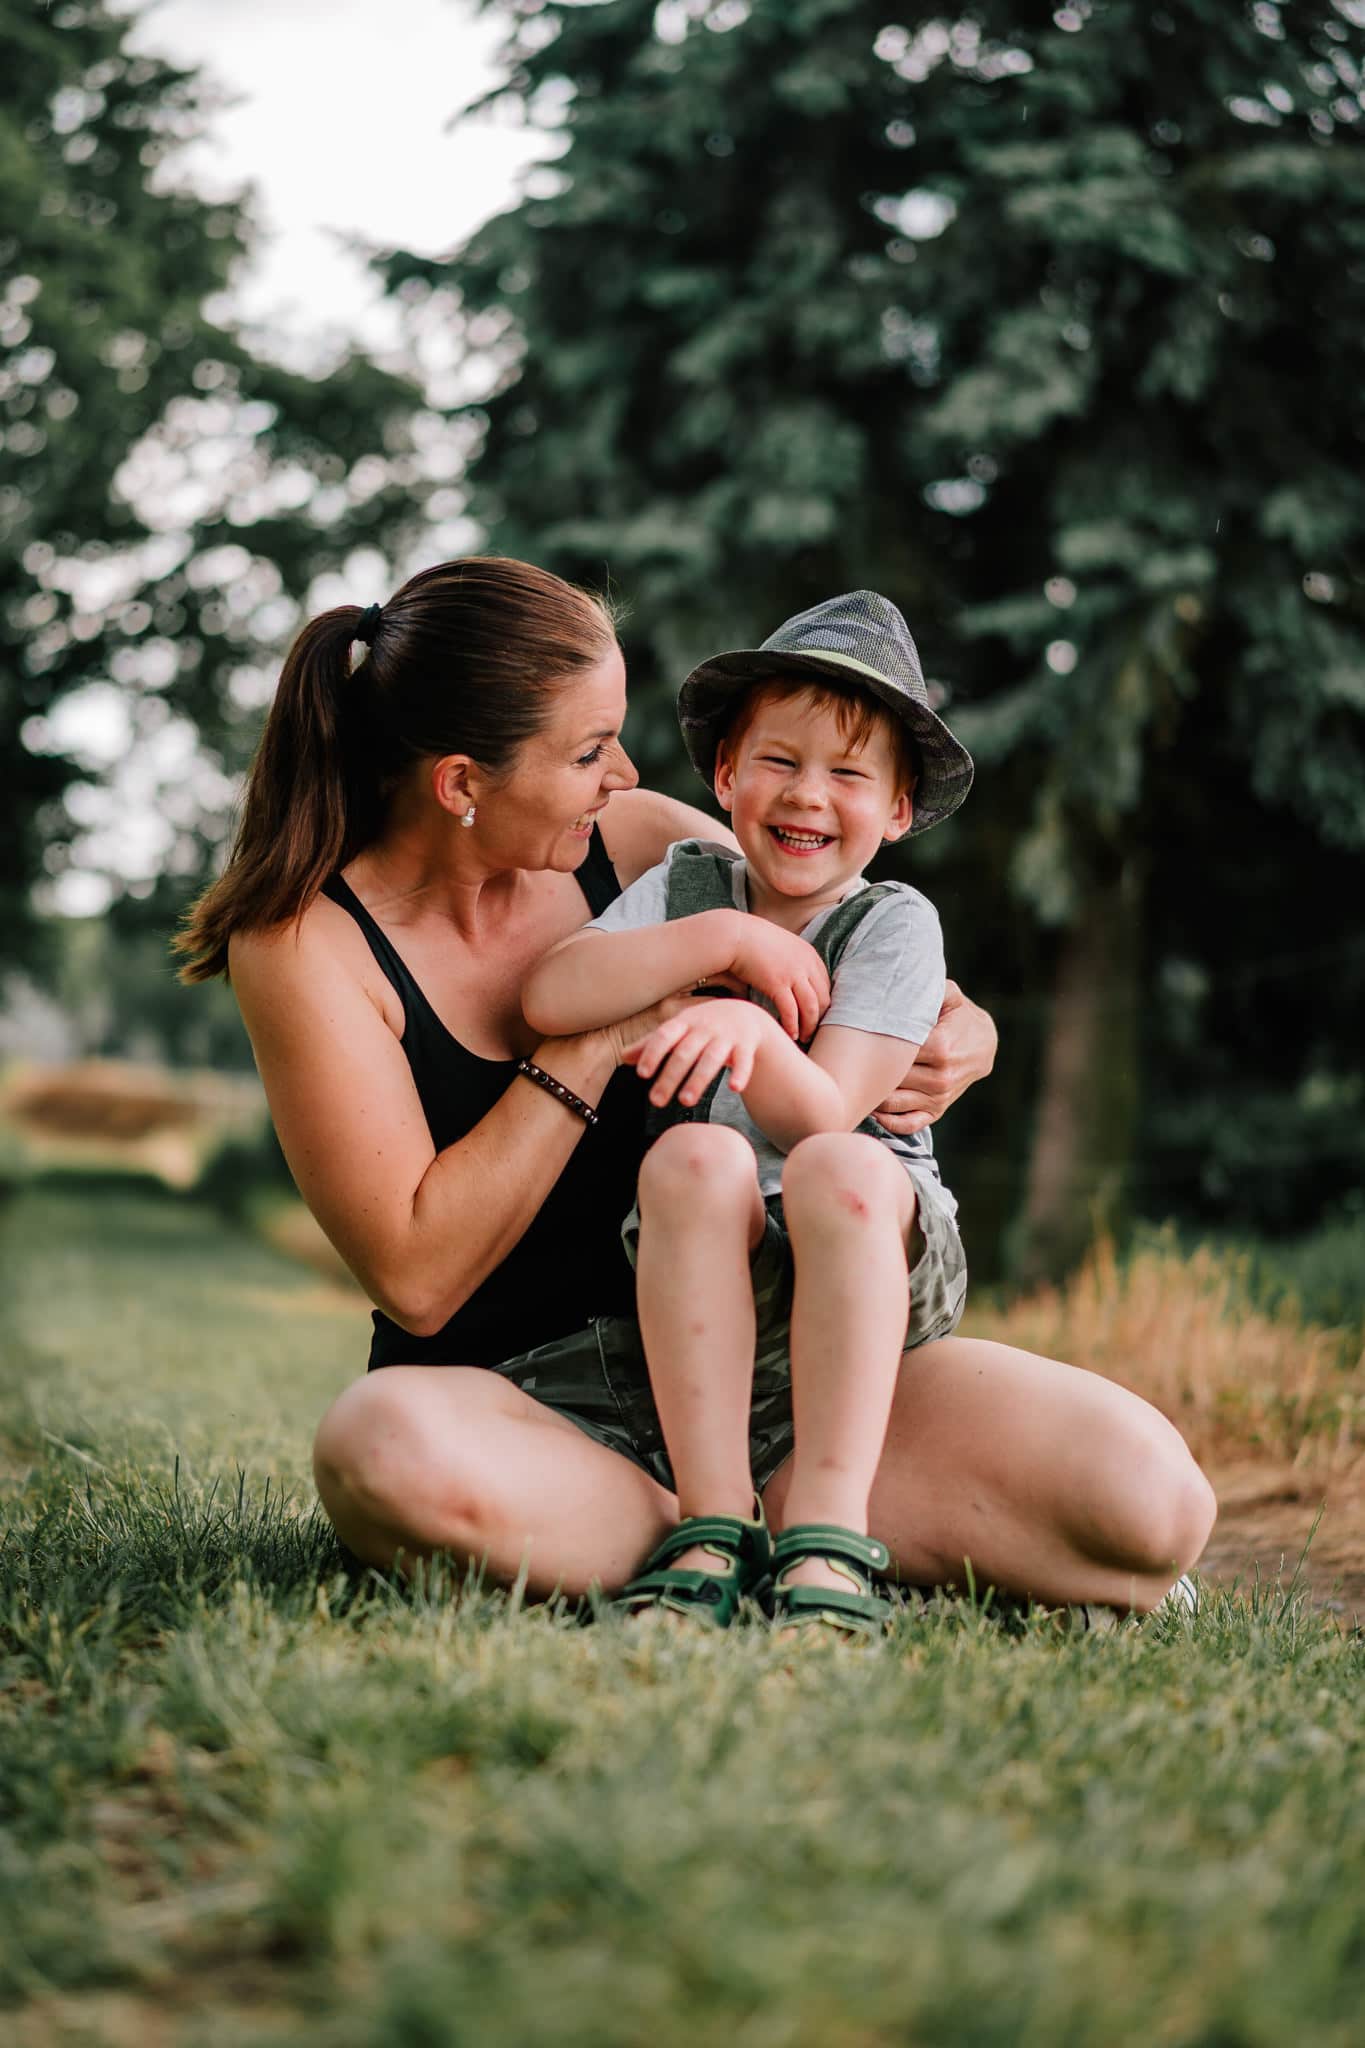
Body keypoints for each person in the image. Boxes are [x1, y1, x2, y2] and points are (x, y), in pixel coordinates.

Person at [177, 555, 1215, 1616]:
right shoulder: (306, 945)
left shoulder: (628, 844)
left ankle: (789, 1516)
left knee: (1152, 1501)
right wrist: (605, 1034)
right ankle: (722, 1529)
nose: (625, 772)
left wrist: (967, 1030)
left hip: (779, 1367)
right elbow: (418, 1275)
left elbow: (836, 945)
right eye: (588, 750)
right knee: (376, 1445)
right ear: (461, 782)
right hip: (534, 1400)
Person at [523, 592, 972, 1633]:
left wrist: (763, 1036)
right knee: (686, 1157)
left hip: (869, 1246)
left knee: (841, 1169)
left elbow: (828, 1114)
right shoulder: (691, 886)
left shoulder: (892, 924)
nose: (808, 794)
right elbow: (549, 995)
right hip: (709, 1252)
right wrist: (718, 941)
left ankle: (826, 1528)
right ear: (726, 773)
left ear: (899, 810)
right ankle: (714, 1515)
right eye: (780, 760)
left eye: (850, 774)